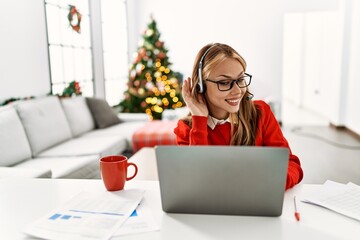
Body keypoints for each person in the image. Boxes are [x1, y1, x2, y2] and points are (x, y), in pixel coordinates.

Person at [174, 43, 303, 190]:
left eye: (240, 79)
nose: (237, 91)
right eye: (224, 82)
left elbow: (291, 164)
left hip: (256, 200)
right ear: (200, 86)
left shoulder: (260, 112)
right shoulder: (187, 129)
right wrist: (200, 120)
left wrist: (271, 183)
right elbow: (193, 179)